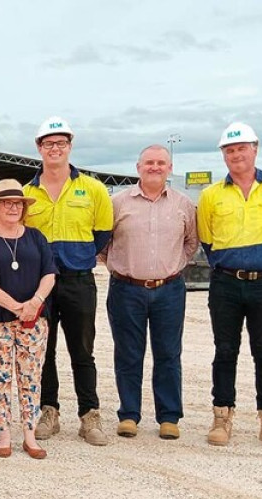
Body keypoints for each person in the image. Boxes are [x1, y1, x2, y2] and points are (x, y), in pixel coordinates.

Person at [197, 122, 262, 450]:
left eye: (242, 148)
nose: (236, 154)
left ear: (255, 148)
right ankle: (222, 417)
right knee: (225, 351)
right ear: (223, 156)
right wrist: (231, 266)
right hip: (226, 283)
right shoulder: (211, 195)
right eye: (229, 150)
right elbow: (207, 240)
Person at [22, 117, 113, 446]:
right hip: (39, 285)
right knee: (43, 351)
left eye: (61, 143)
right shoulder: (26, 193)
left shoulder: (92, 188)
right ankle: (49, 411)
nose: (55, 148)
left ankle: (89, 415)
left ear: (70, 146)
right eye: (48, 143)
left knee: (82, 351)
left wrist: (78, 257)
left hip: (78, 280)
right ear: (39, 148)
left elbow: (102, 232)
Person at [105, 145, 198, 440]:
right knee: (128, 353)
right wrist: (120, 265)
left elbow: (191, 243)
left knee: (169, 353)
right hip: (126, 288)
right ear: (138, 167)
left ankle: (169, 417)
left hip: (169, 289)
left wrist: (174, 266)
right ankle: (129, 414)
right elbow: (103, 243)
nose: (154, 167)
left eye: (161, 163)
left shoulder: (184, 205)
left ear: (170, 168)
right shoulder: (117, 203)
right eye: (149, 163)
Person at [0, 180, 56, 459]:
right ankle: (4, 433)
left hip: (34, 319)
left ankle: (29, 434)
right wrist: (16, 306)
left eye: (17, 203)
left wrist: (35, 303)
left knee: (31, 377)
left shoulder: (36, 237)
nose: (12, 207)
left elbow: (49, 273)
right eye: (6, 203)